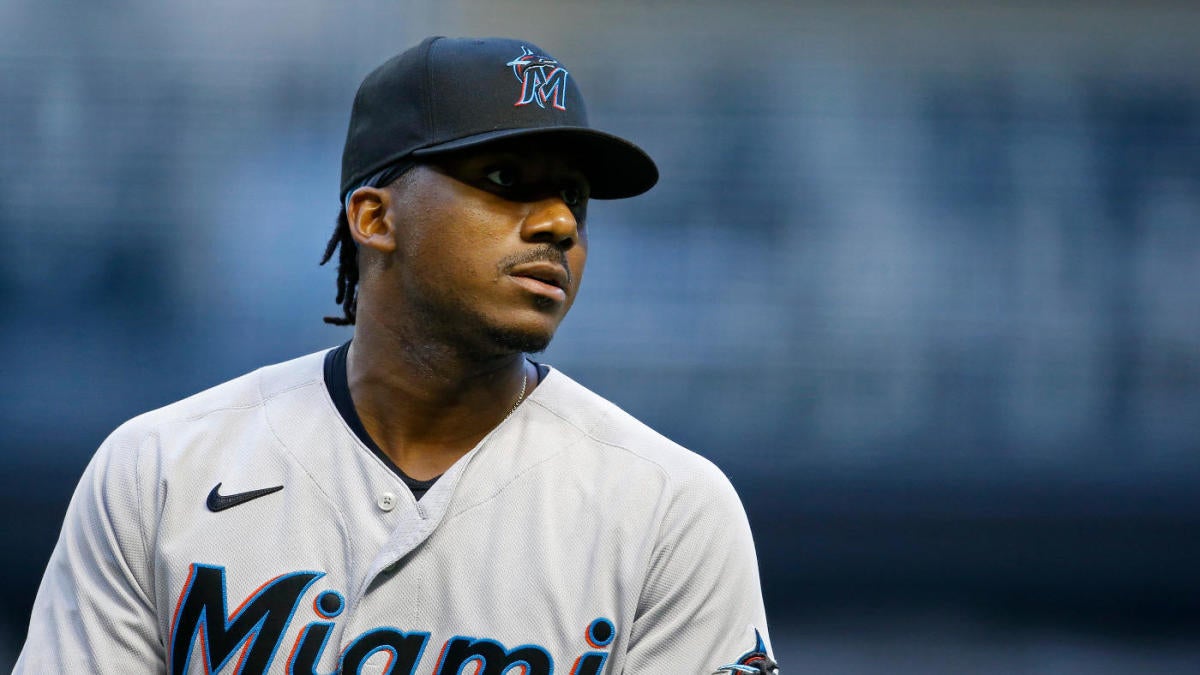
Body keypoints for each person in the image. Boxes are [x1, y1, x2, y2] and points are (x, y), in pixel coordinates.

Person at [16, 36, 777, 674]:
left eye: (573, 197)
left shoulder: (671, 509)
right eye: (506, 180)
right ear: (374, 217)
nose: (557, 224)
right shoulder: (160, 472)